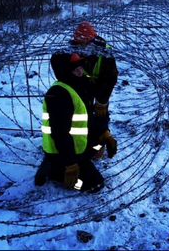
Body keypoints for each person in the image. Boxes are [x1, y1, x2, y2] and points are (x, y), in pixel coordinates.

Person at [35, 52, 104, 192]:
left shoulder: (79, 85)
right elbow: (60, 133)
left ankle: (67, 163)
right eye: (75, 69)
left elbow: (89, 117)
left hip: (78, 146)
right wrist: (70, 164)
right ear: (65, 72)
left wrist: (101, 138)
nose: (80, 71)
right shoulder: (59, 94)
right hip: (63, 152)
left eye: (80, 67)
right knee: (94, 184)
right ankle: (55, 173)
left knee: (98, 146)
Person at [70, 21, 118, 160]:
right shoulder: (73, 48)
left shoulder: (105, 52)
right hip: (83, 87)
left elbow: (110, 79)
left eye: (83, 44)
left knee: (100, 115)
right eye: (78, 44)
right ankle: (81, 143)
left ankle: (99, 146)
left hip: (100, 87)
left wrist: (102, 101)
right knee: (82, 116)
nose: (81, 47)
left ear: (91, 41)